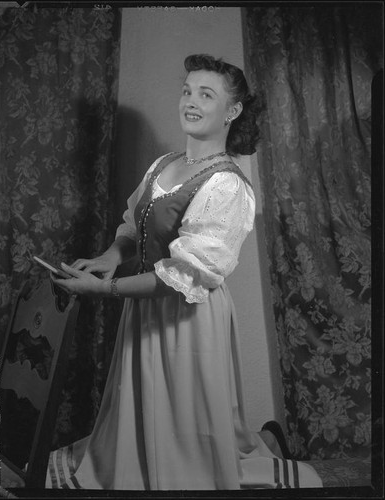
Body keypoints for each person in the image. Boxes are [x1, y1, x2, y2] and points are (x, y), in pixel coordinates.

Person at [47, 54, 322, 490]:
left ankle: (230, 457)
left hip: (189, 316)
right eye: (187, 90)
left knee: (186, 424)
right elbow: (132, 226)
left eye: (206, 94)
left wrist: (104, 291)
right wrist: (108, 259)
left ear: (232, 111)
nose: (190, 102)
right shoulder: (163, 164)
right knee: (144, 414)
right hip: (143, 305)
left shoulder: (227, 186)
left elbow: (185, 276)